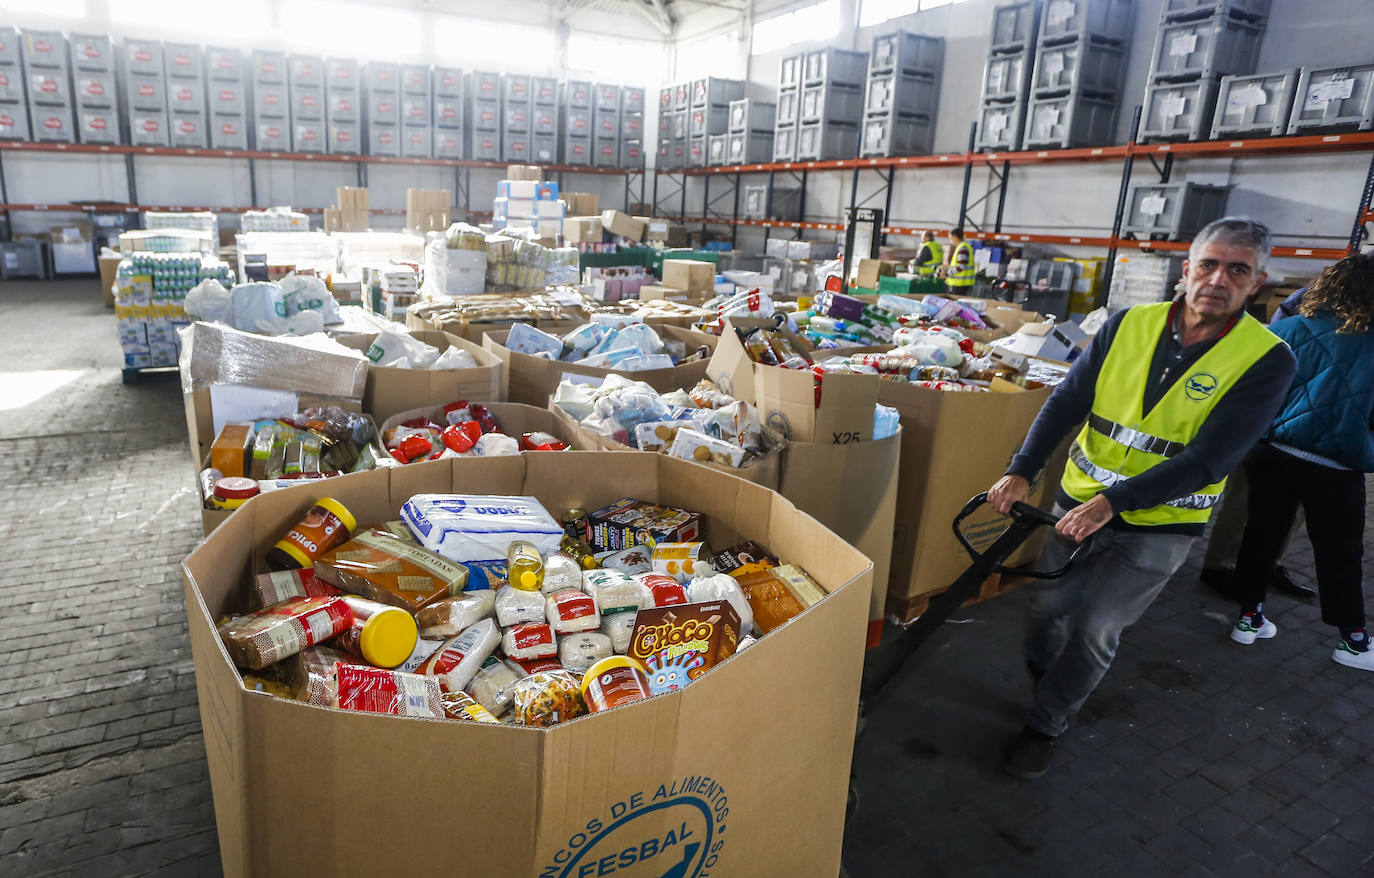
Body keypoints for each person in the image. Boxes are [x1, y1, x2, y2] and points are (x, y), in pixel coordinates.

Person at [987, 217, 1297, 779]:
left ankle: (1047, 722)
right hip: (1075, 502)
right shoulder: (1129, 324)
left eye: (1237, 270)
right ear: (1187, 270)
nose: (1218, 279)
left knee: (1096, 629)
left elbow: (1212, 458)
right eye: (1208, 264)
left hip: (1161, 524)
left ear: (1257, 283)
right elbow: (1067, 400)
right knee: (1044, 611)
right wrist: (1021, 471)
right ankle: (1051, 682)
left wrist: (1114, 504)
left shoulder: (1267, 359)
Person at [1227, 252, 1374, 671]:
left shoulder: (1286, 329)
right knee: (1339, 553)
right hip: (1336, 466)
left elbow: (1254, 394)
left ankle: (1248, 620)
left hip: (1273, 456)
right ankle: (1353, 642)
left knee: (1260, 536)